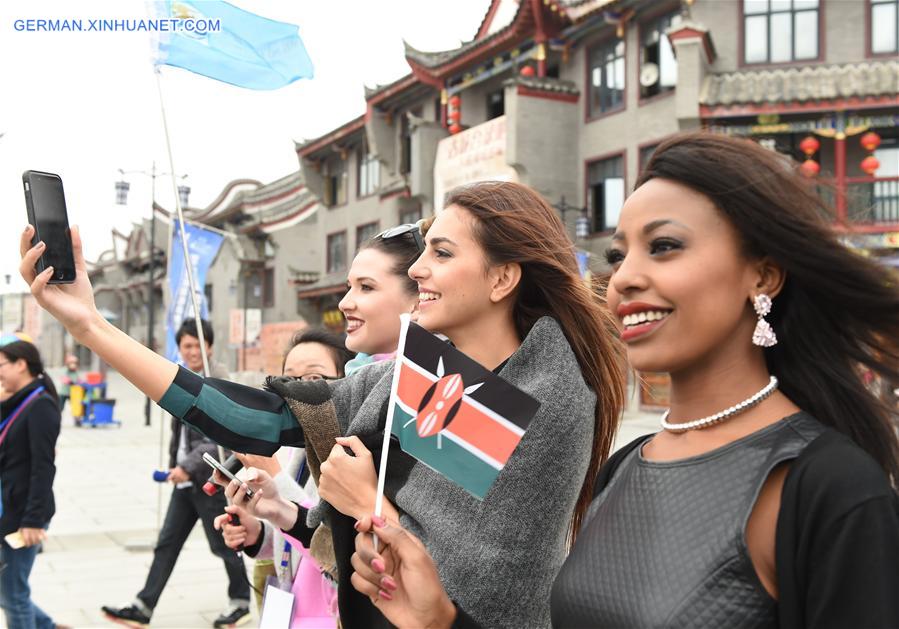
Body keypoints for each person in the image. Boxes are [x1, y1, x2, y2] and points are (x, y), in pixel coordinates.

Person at [348, 132, 899, 629]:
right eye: (619, 254)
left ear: (763, 274)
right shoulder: (625, 469)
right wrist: (441, 622)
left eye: (664, 246)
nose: (625, 278)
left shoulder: (829, 487)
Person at [20, 185, 627, 628]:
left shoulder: (542, 396)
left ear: (501, 280)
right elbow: (255, 417)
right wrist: (91, 325)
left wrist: (363, 502)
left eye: (441, 253)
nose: (418, 269)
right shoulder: (415, 374)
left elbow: (463, 586)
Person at [101, 318, 252, 629]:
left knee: (223, 544)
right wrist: (177, 465)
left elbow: (216, 436)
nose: (193, 351)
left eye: (199, 345)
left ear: (209, 346)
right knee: (167, 542)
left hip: (211, 479)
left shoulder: (218, 379)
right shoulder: (181, 377)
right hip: (185, 482)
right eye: (187, 346)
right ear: (180, 349)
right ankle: (143, 606)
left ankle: (241, 602)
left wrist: (187, 466)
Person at [216, 327, 354, 620]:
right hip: (293, 608)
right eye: (288, 379)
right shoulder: (295, 449)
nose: (297, 390)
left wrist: (276, 478)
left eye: (314, 378)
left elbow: (326, 542)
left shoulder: (352, 454)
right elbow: (289, 535)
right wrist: (255, 533)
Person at [0, 340, 63, 629]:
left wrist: (33, 519)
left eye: (1, 366)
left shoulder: (41, 406)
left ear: (21, 364)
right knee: (9, 591)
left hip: (24, 514)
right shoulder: (17, 402)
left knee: (13, 593)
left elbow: (43, 467)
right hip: (9, 508)